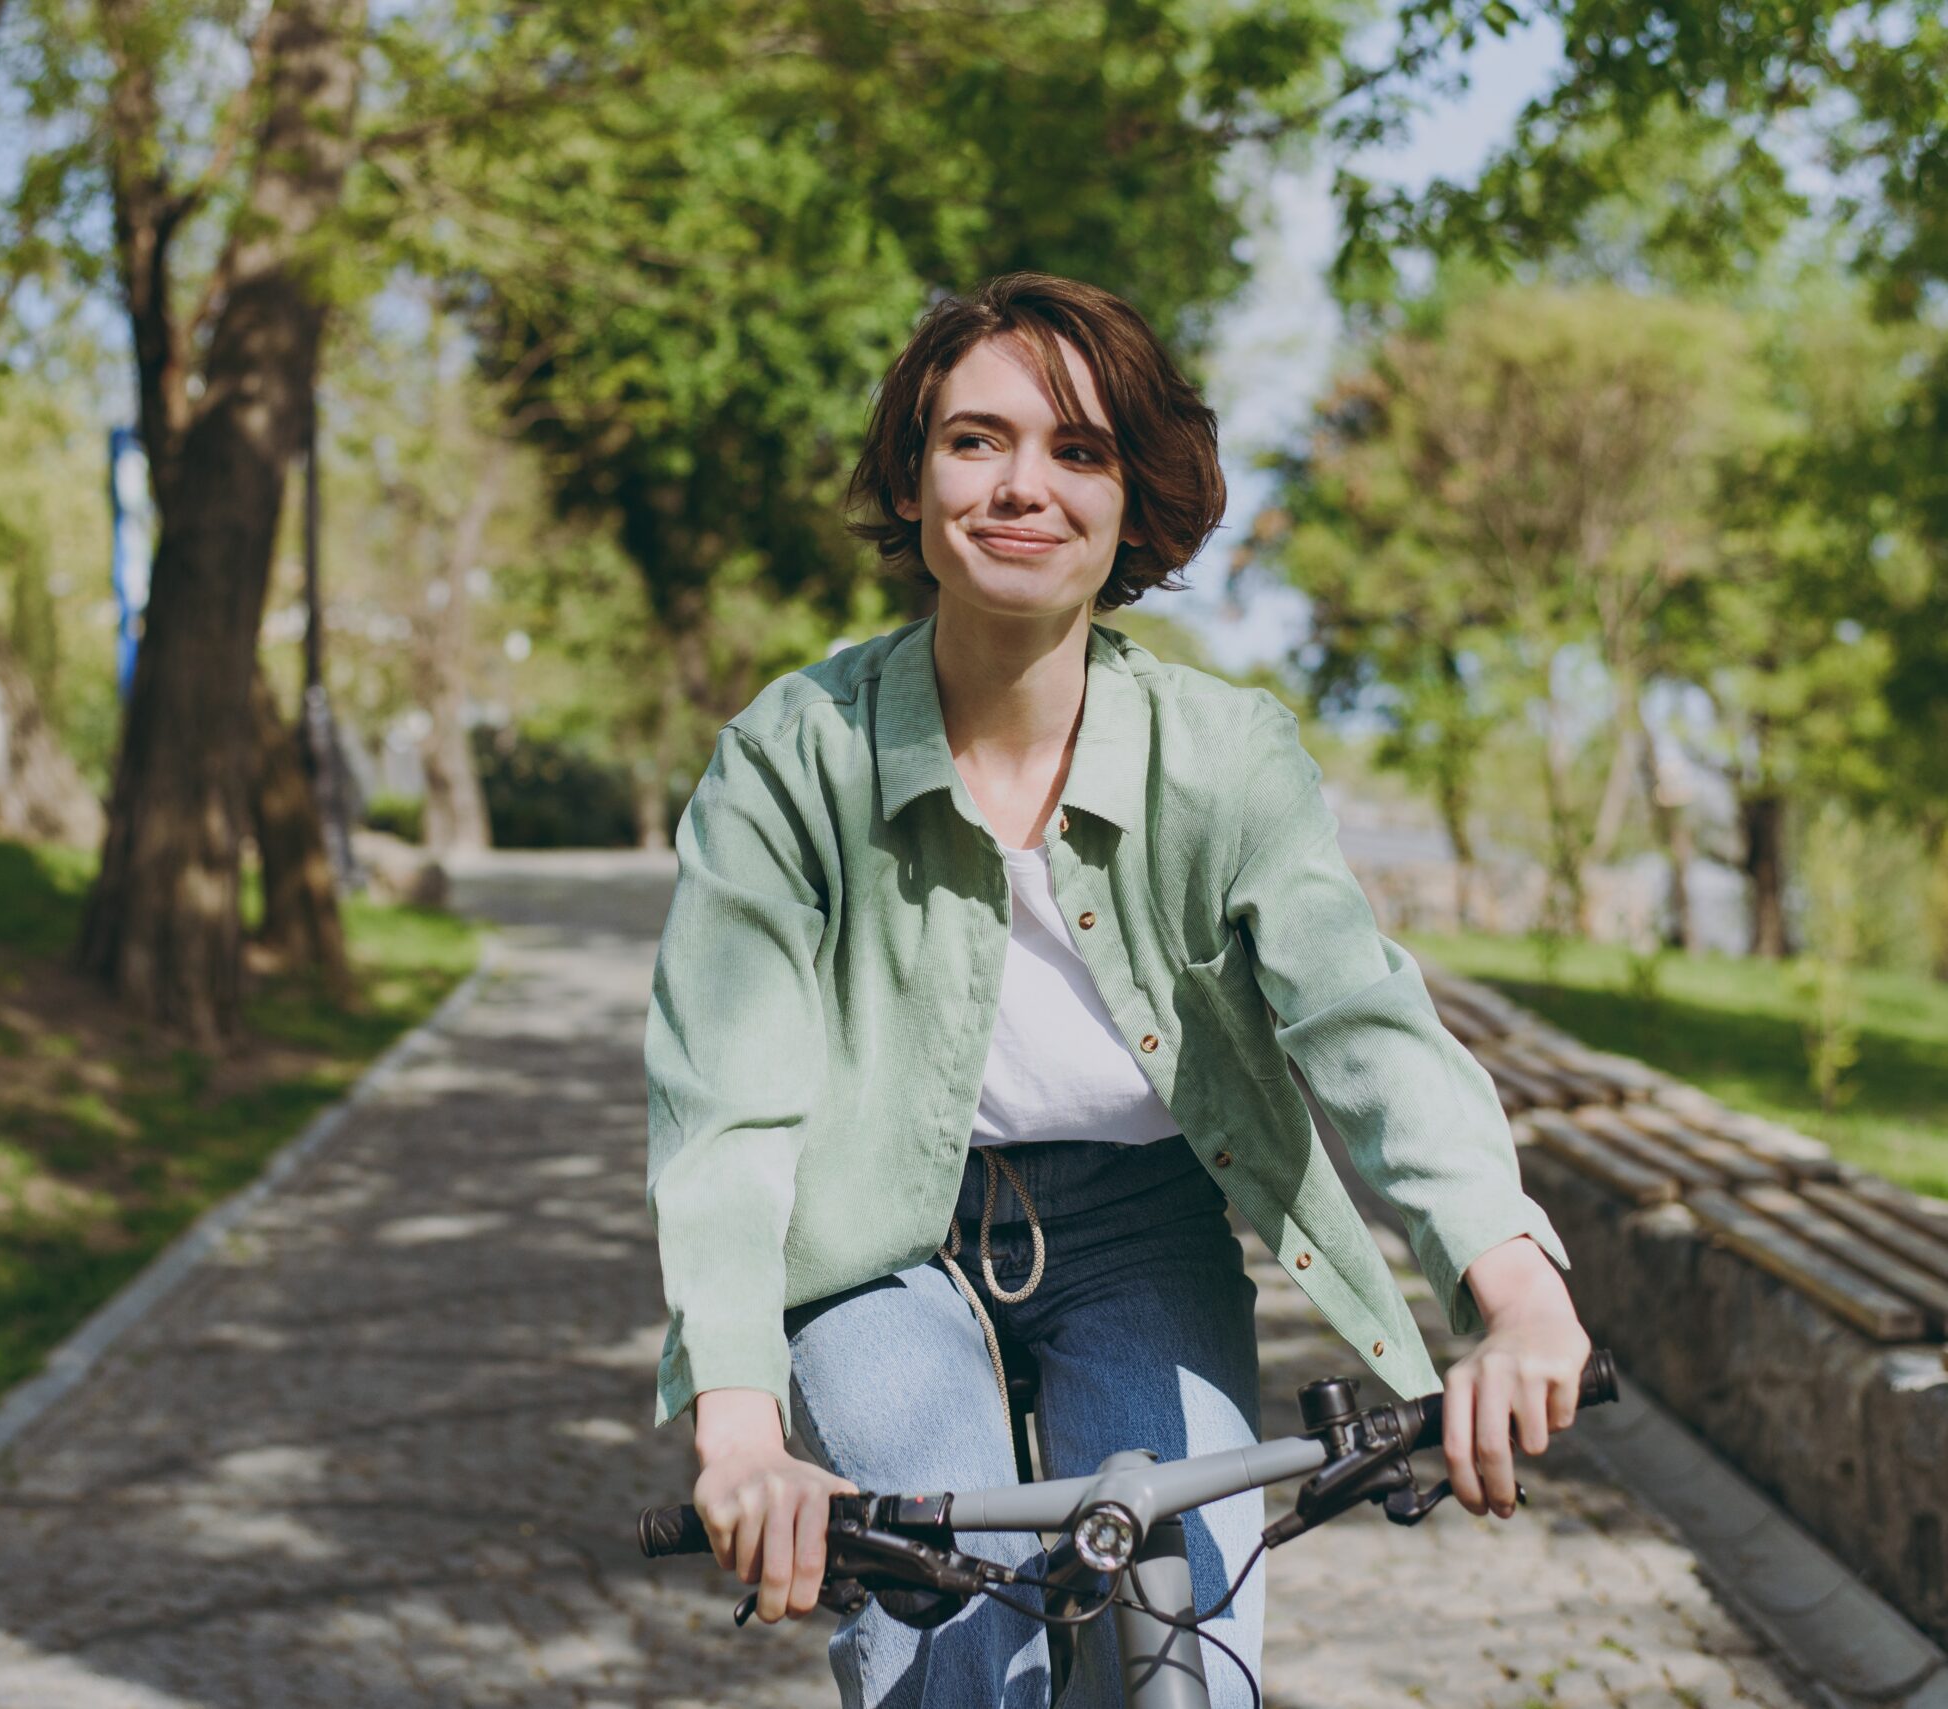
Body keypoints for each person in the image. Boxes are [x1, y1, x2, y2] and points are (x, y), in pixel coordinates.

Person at [643, 271, 1594, 1708]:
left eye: (1079, 450)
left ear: (1133, 501)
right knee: (952, 1643)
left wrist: (1514, 1293)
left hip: (1143, 1225)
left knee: (1183, 1650)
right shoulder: (794, 760)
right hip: (877, 1246)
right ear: (911, 480)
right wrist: (739, 1423)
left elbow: (1361, 1019)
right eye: (976, 440)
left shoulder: (1227, 757)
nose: (1024, 484)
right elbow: (727, 1111)